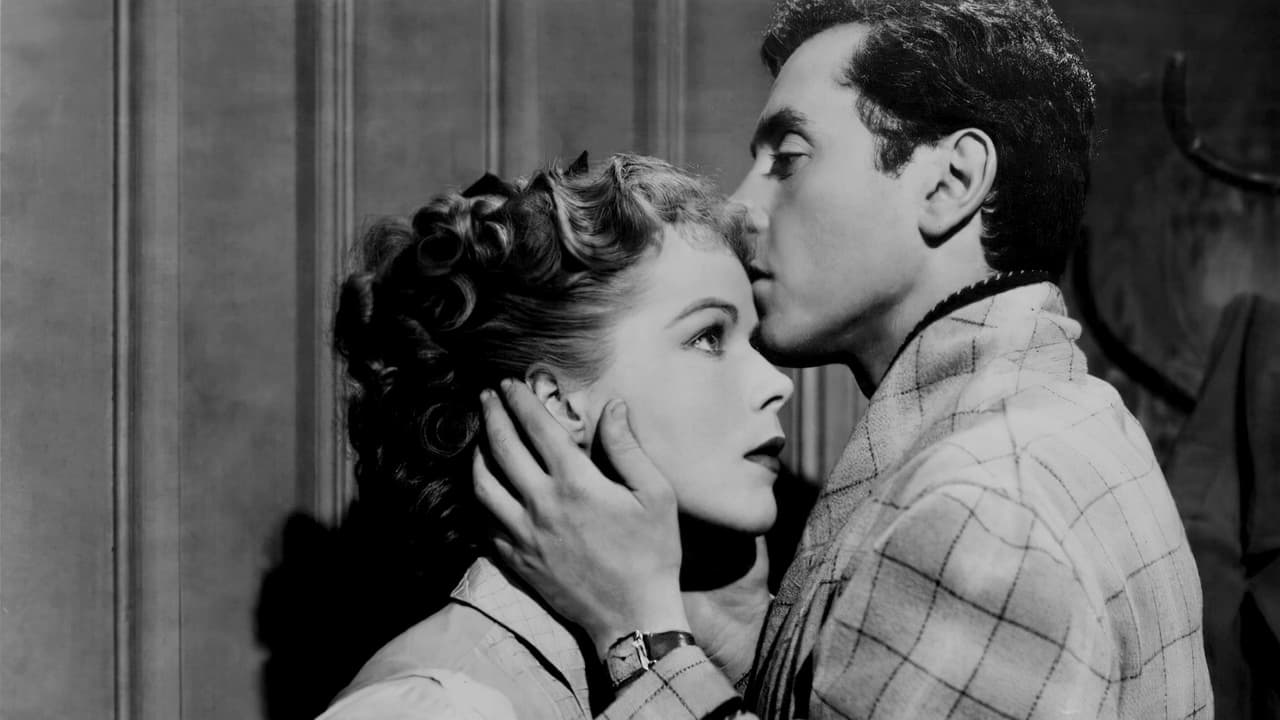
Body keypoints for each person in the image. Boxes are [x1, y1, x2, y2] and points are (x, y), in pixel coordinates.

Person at [474, 1, 1213, 718]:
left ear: (952, 181)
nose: (737, 207)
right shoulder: (1057, 419)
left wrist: (639, 635)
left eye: (789, 158)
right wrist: (746, 640)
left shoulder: (985, 511)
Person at [316, 153, 794, 720]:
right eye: (707, 336)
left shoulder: (655, 651)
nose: (777, 384)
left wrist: (739, 641)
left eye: (752, 343)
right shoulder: (433, 707)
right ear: (556, 403)